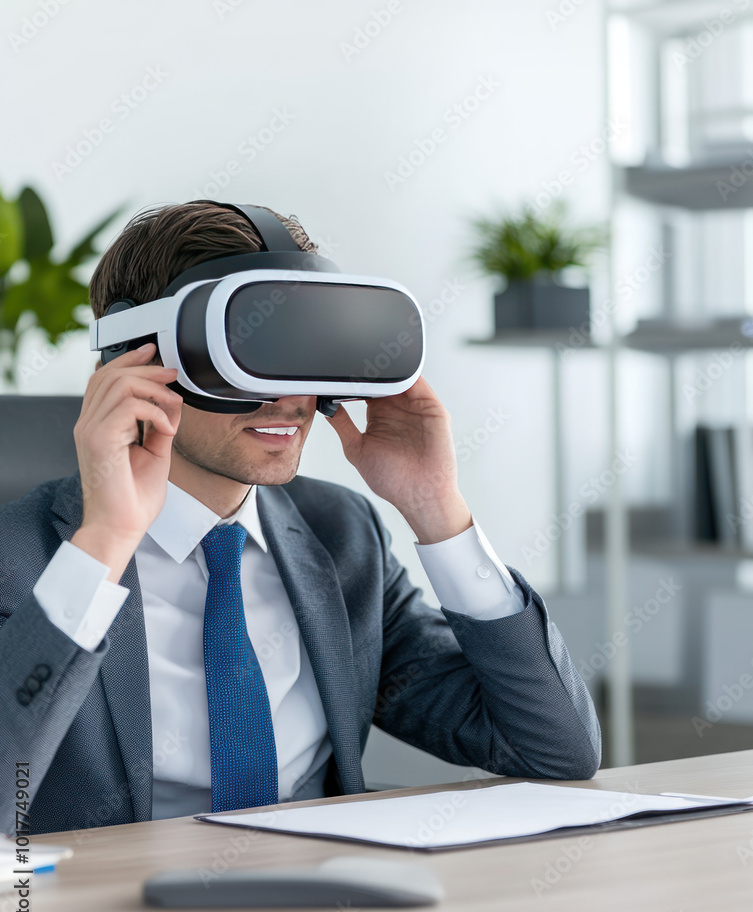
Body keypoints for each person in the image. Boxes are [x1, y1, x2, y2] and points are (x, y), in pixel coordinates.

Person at [0, 201, 600, 836]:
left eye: (304, 355)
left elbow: (555, 752)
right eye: (247, 351)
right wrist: (104, 544)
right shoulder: (23, 556)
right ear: (135, 356)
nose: (290, 398)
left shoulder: (341, 536)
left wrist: (438, 512)